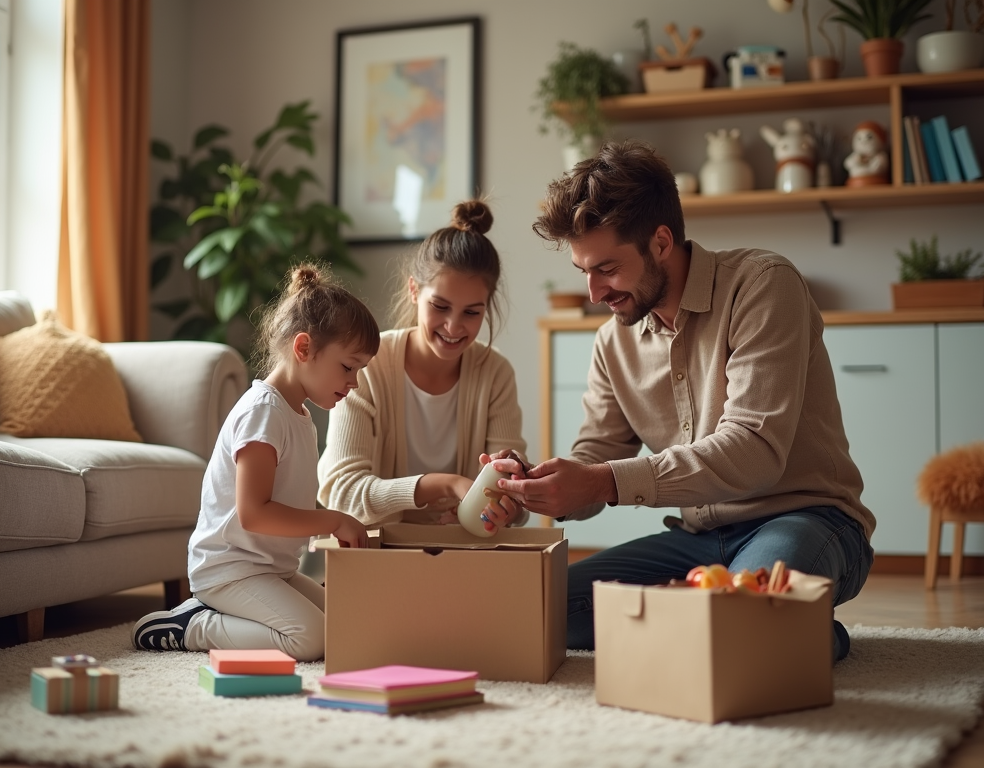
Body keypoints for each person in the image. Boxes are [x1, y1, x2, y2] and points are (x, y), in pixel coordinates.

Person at [494, 140, 875, 662]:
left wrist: (604, 482)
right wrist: (532, 485)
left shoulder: (763, 285)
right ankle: (747, 629)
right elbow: (595, 461)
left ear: (661, 242)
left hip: (808, 521)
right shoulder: (613, 341)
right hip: (699, 540)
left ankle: (786, 634)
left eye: (606, 268)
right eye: (584, 270)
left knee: (738, 620)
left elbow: (754, 451)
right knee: (533, 610)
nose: (593, 292)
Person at [132, 264, 379, 659]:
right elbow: (254, 514)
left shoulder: (298, 416)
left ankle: (221, 615)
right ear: (303, 349)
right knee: (311, 639)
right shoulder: (264, 412)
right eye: (348, 366)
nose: (354, 382)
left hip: (270, 570)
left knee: (347, 622)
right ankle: (193, 625)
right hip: (229, 571)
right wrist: (332, 518)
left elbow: (287, 504)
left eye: (360, 370)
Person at [318, 199, 526, 533]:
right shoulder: (368, 366)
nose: (454, 327)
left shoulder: (496, 373)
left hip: (463, 553)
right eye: (440, 306)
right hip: (374, 552)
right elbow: (342, 496)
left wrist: (507, 506)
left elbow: (511, 497)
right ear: (414, 290)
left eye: (472, 312)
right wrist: (443, 484)